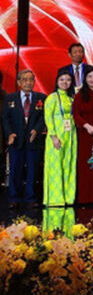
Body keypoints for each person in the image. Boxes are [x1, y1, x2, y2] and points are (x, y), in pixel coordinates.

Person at [4, 70, 46, 207]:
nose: (28, 82)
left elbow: (44, 117)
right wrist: (9, 133)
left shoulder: (41, 98)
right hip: (16, 140)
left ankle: (30, 198)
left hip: (34, 140)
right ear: (19, 82)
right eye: (25, 79)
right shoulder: (10, 98)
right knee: (15, 170)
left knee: (32, 171)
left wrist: (37, 130)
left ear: (34, 81)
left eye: (31, 79)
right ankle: (14, 198)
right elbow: (5, 119)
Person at [43, 73, 77, 207]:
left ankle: (68, 197)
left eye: (68, 80)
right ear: (57, 81)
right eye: (62, 79)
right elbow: (48, 117)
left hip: (70, 135)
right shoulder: (52, 98)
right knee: (55, 165)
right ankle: (55, 198)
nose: (65, 82)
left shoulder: (71, 98)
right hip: (57, 135)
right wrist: (53, 136)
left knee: (69, 164)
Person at [71, 69, 93, 204]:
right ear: (85, 79)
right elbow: (76, 115)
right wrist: (87, 126)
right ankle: (85, 198)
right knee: (85, 165)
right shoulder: (80, 95)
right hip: (85, 134)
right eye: (90, 77)